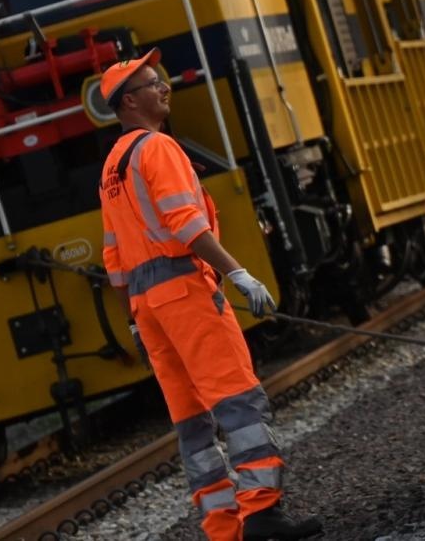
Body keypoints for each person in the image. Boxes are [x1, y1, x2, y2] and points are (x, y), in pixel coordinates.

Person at [98, 50, 321, 541]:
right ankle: (261, 512)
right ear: (130, 101)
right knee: (238, 401)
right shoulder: (157, 148)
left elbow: (113, 258)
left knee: (192, 420)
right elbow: (184, 222)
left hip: (148, 308)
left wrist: (133, 321)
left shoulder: (112, 166)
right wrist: (237, 272)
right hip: (184, 294)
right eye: (154, 83)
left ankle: (223, 528)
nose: (165, 88)